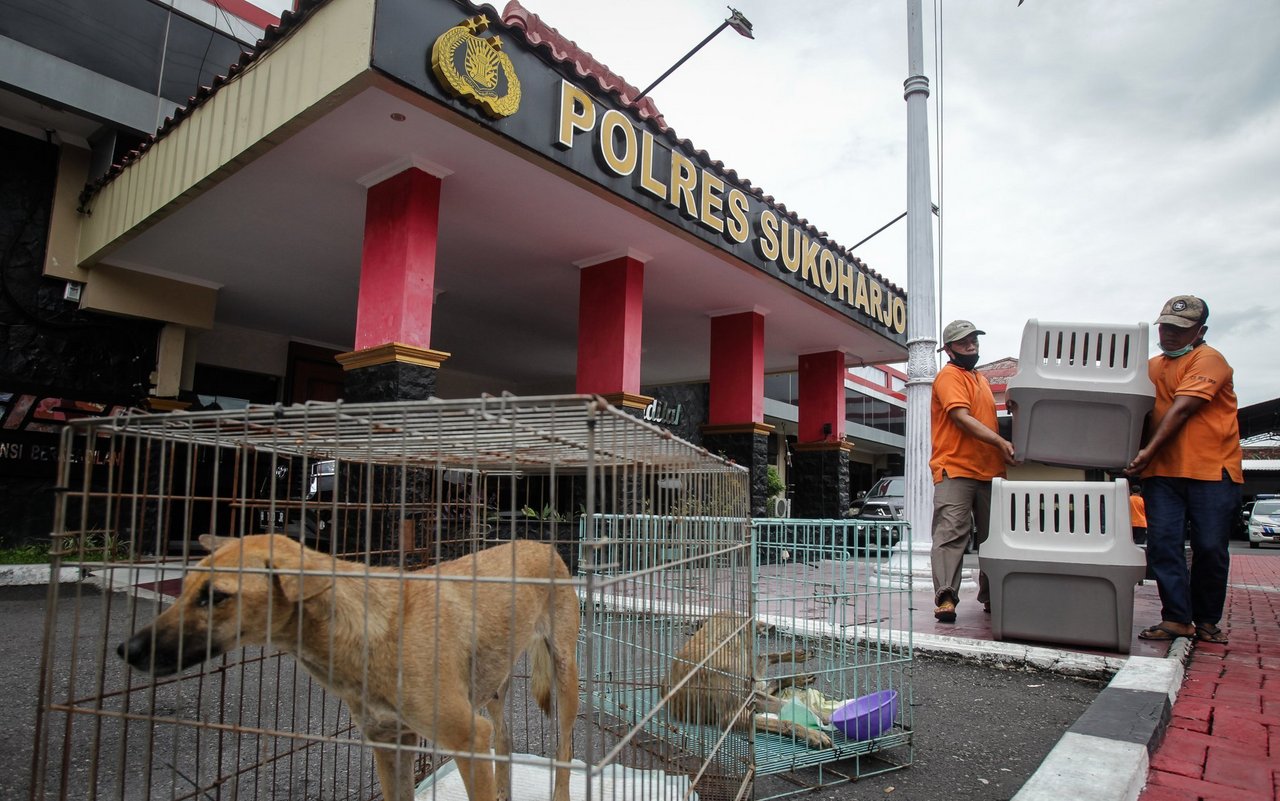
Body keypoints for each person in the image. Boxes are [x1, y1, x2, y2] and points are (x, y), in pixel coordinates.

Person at [1126, 295, 1242, 644]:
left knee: (1209, 545)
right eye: (1165, 327)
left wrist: (1145, 452)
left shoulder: (1209, 360)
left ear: (1200, 330)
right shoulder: (1150, 366)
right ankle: (1177, 617)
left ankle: (1206, 618)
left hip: (1212, 471)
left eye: (1180, 329)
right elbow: (1129, 409)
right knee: (1163, 545)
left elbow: (1182, 409)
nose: (1170, 334)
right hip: (1162, 474)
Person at [930, 320, 1018, 622]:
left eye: (974, 341)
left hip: (990, 470)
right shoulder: (949, 376)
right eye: (963, 342)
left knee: (995, 538)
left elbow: (989, 422)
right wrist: (1000, 441)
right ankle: (945, 596)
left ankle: (994, 596)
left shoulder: (980, 379)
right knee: (951, 534)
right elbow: (961, 417)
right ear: (949, 349)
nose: (971, 346)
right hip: (955, 468)